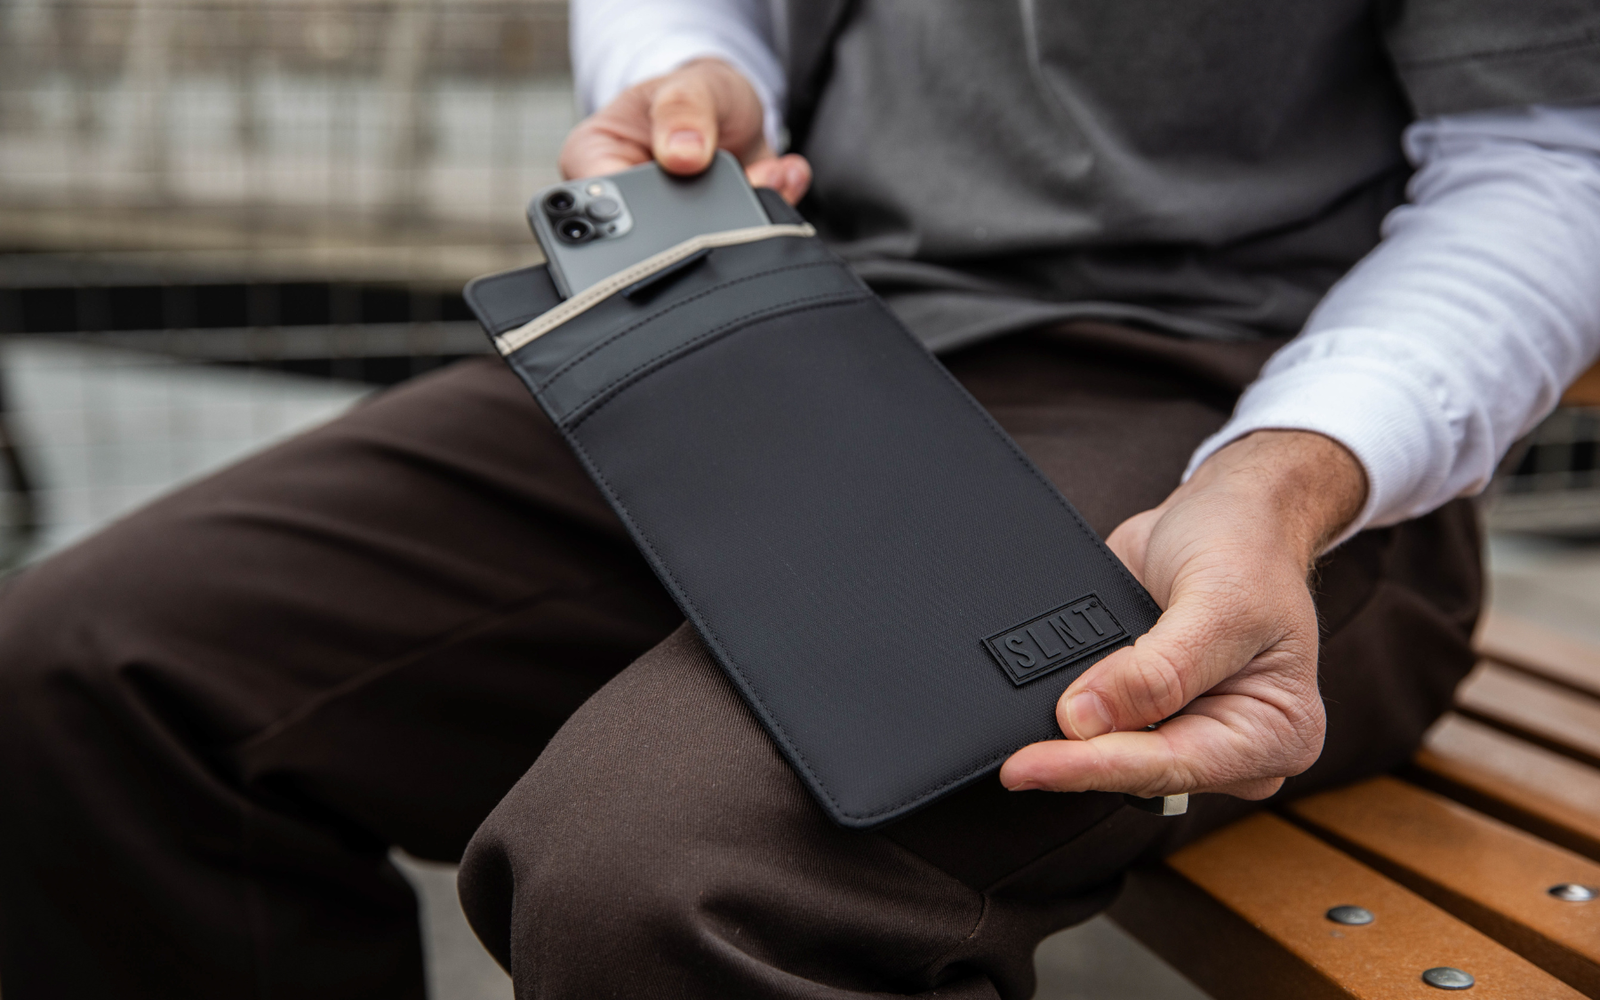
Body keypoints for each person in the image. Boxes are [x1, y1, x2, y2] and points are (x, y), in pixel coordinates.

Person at [1, 1, 1598, 997]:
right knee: (87, 669)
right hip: (787, 316)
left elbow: (1554, 154)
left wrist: (1289, 470)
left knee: (679, 885)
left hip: (1238, 408)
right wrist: (684, 73)